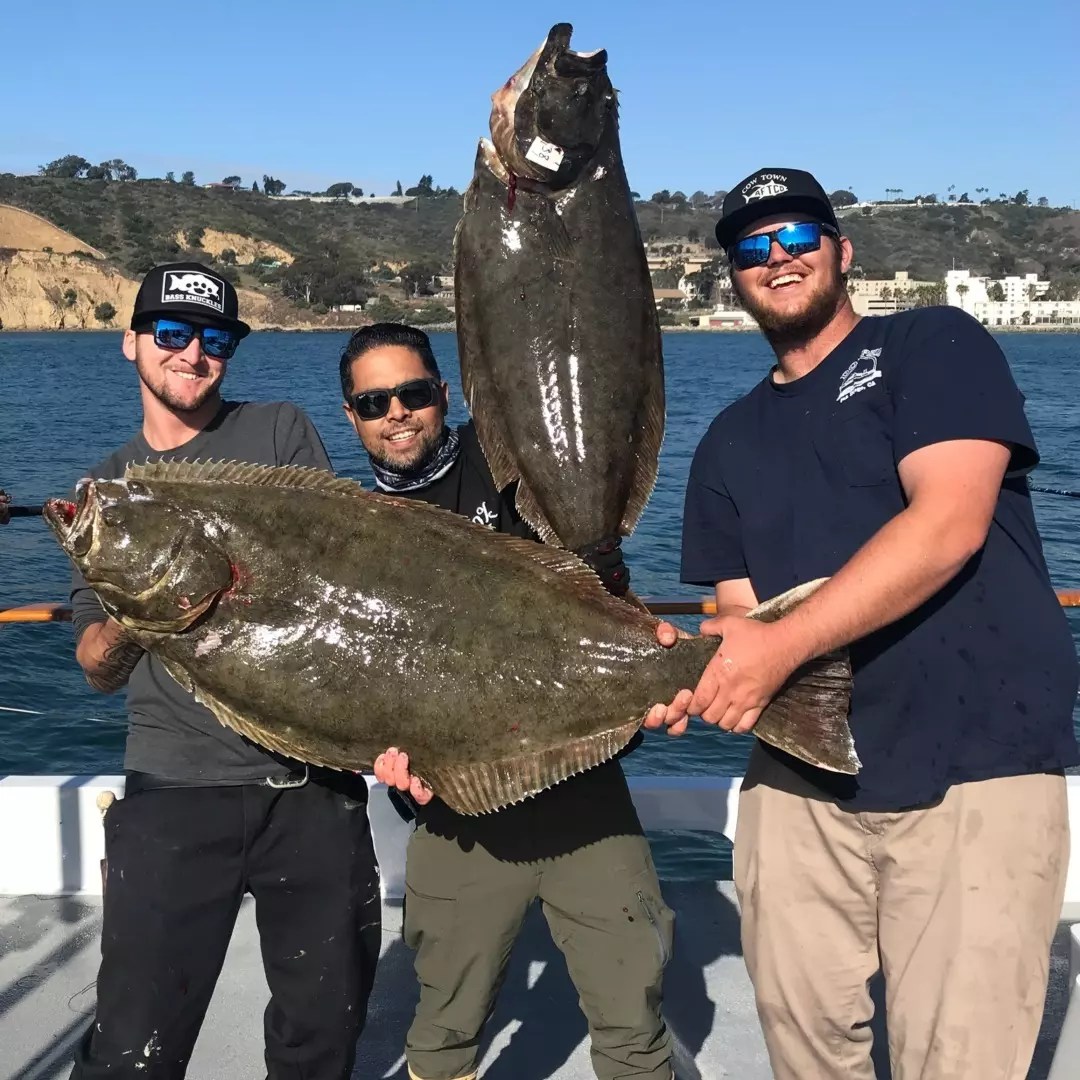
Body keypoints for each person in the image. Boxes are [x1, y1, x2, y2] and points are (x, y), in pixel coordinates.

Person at [644, 167, 1080, 1080]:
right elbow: (735, 617)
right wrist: (675, 679)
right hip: (800, 784)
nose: (778, 258)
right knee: (806, 1048)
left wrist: (771, 648)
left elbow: (950, 523)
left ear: (843, 252)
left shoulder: (934, 344)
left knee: (958, 1061)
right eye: (752, 248)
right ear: (732, 276)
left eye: (798, 236)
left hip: (976, 767)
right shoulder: (726, 439)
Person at [67, 262, 381, 1079]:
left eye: (215, 339)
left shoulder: (277, 431)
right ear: (131, 342)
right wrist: (142, 610)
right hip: (173, 794)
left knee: (322, 1041)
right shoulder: (105, 493)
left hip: (310, 788)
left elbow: (331, 579)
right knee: (134, 1044)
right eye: (170, 333)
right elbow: (96, 664)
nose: (193, 353)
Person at [338, 322, 675, 1080]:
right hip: (456, 814)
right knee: (442, 1033)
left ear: (444, 396)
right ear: (351, 416)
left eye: (414, 394)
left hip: (582, 794)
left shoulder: (517, 470)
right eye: (374, 401)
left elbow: (596, 569)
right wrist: (382, 754)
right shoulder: (347, 530)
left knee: (633, 1020)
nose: (397, 412)